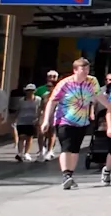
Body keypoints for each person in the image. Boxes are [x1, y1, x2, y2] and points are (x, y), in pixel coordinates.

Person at [42, 58, 100, 190]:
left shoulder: (92, 81)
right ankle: (65, 175)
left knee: (75, 149)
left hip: (82, 122)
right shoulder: (65, 83)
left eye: (87, 69)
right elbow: (52, 101)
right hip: (64, 120)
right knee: (66, 147)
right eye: (83, 69)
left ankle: (70, 175)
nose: (86, 72)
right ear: (75, 70)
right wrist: (46, 120)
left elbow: (98, 96)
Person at [10, 82, 41, 163]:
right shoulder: (22, 100)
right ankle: (20, 153)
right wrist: (14, 119)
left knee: (29, 137)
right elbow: (18, 110)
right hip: (22, 120)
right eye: (28, 90)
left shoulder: (38, 100)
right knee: (22, 136)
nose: (30, 92)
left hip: (32, 121)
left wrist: (39, 118)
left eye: (31, 90)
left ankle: (26, 152)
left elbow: (40, 110)